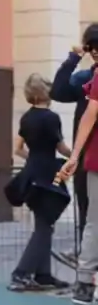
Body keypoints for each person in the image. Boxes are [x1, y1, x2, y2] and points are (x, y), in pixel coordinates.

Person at [8, 74, 70, 292]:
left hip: (30, 176)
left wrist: (33, 161)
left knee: (43, 224)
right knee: (44, 228)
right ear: (46, 92)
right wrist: (76, 157)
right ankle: (21, 273)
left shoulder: (26, 118)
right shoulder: (51, 118)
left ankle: (43, 275)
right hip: (47, 176)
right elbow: (61, 148)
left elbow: (17, 149)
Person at [49, 27, 98, 271]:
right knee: (88, 212)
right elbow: (57, 91)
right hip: (87, 157)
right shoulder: (86, 79)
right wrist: (74, 57)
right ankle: (86, 267)